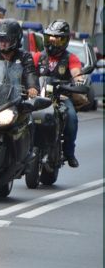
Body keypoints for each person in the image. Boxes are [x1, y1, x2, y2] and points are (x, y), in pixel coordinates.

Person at [32, 19, 82, 167]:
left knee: (72, 118)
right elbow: (27, 72)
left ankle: (69, 153)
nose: (53, 43)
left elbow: (76, 73)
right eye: (50, 38)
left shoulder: (71, 58)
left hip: (61, 97)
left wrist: (79, 80)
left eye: (58, 40)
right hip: (39, 96)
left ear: (65, 41)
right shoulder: (38, 56)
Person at [0, 19, 39, 98]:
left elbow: (30, 73)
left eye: (6, 40)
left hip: (17, 100)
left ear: (15, 40)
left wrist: (32, 87)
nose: (2, 43)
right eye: (0, 39)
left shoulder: (24, 57)